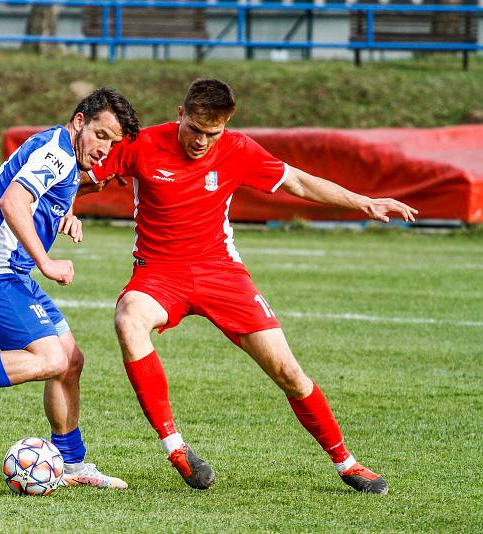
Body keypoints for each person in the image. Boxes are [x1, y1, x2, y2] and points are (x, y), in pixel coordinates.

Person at [85, 79, 418, 494]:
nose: (202, 142)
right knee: (129, 318)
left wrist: (363, 202)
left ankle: (346, 462)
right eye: (195, 130)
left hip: (221, 273)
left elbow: (296, 181)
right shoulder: (143, 144)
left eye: (214, 133)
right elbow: (82, 176)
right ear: (180, 114)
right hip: (158, 272)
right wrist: (59, 206)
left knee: (289, 372)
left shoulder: (239, 150)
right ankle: (175, 448)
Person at [0, 88, 141, 489]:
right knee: (50, 358)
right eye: (101, 136)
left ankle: (70, 463)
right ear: (80, 121)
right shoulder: (55, 152)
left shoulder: (64, 154)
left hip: (11, 274)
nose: (105, 149)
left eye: (113, 142)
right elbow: (13, 201)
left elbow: (51, 189)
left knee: (70, 360)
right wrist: (47, 262)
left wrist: (66, 211)